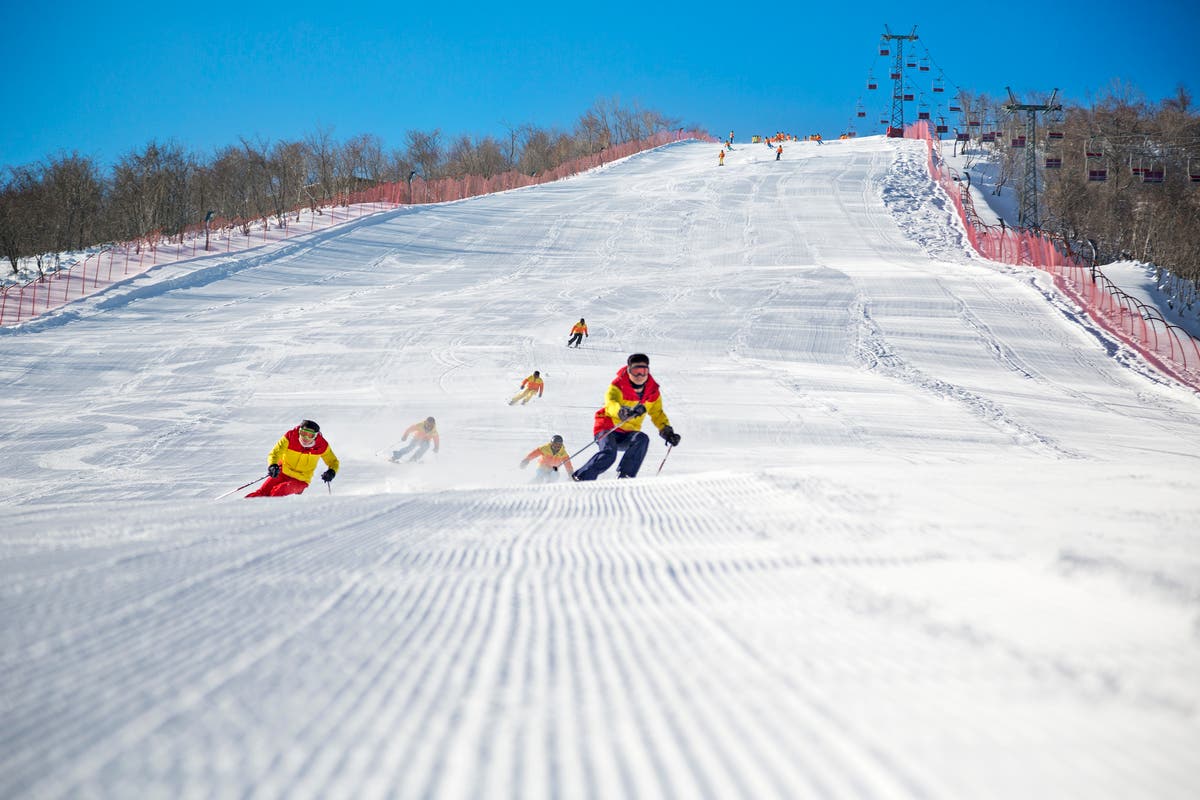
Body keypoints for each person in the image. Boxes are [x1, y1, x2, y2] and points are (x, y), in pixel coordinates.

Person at [572, 353, 680, 481]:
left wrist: (666, 431)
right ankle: (582, 477)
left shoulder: (653, 391)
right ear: (628, 370)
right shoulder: (618, 385)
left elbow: (657, 414)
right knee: (609, 453)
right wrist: (621, 412)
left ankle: (626, 476)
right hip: (608, 428)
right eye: (636, 371)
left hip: (628, 433)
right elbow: (610, 403)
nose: (640, 376)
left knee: (642, 439)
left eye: (643, 371)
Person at [246, 419, 338, 497]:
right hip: (282, 472)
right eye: (303, 433)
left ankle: (268, 513)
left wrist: (331, 471)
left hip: (301, 480)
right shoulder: (290, 437)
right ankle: (241, 508)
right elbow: (275, 453)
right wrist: (273, 465)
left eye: (310, 435)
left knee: (279, 491)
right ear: (299, 431)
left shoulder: (322, 445)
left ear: (315, 436)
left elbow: (333, 461)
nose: (305, 437)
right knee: (262, 493)